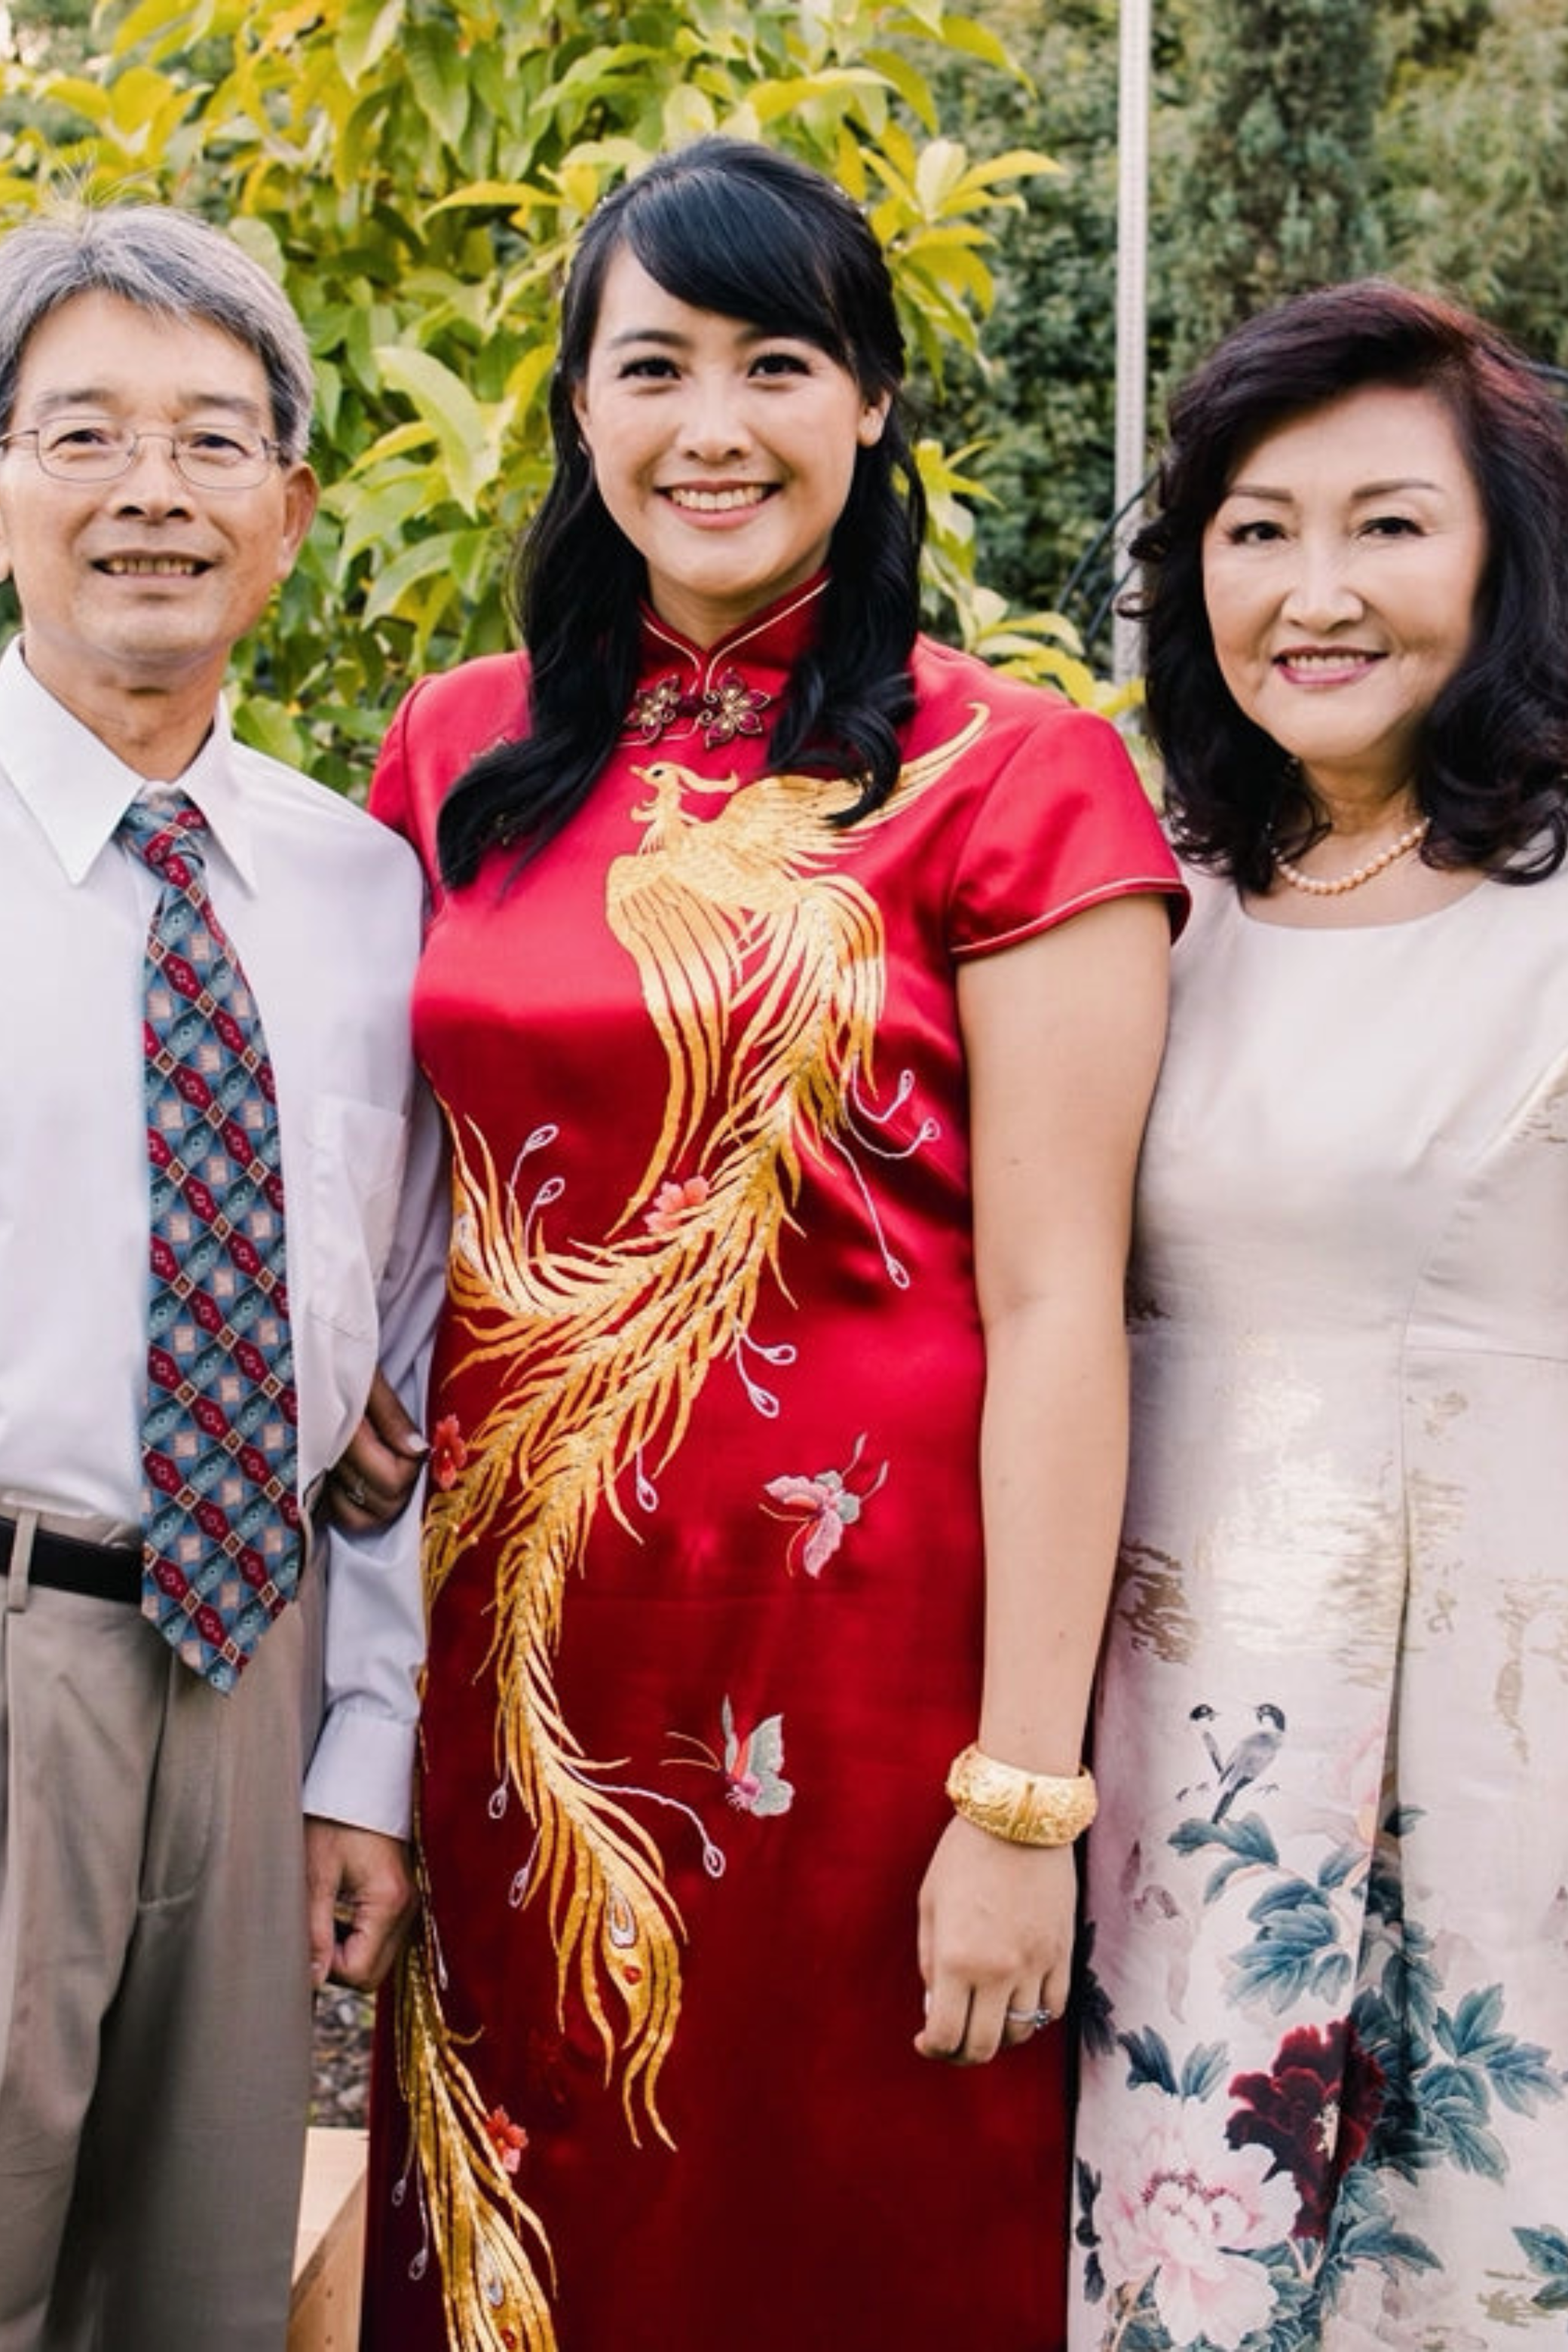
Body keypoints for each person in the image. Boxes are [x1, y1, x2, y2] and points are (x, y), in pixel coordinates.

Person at [354, 135, 1184, 2352]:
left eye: (778, 363)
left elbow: (1056, 1304)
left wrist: (1021, 1795)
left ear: (877, 401)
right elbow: (380, 1203)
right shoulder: (453, 753)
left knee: (846, 2233)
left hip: (875, 1673)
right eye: (654, 367)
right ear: (579, 407)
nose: (710, 427)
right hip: (521, 1646)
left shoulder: (1017, 775)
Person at [1070, 280, 1568, 2350]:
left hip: (1505, 1739)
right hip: (1173, 1744)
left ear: (1507, 557)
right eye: (1257, 527)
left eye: (1389, 524)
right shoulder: (1138, 886)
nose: (1315, 590)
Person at [0, 202, 443, 2352]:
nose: (148, 493)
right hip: (10, 1650)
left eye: (207, 441)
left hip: (246, 1671)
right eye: (83, 433)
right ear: (5, 484)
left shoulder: (363, 895)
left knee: (196, 2302)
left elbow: (390, 1372)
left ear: (287, 512)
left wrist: (362, 1747)